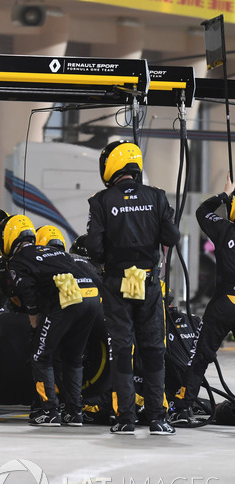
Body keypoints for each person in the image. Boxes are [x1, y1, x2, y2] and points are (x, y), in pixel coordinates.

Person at [87, 140, 180, 435]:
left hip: (116, 285)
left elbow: (94, 250)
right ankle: (158, 418)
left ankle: (125, 419)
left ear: (111, 166)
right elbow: (172, 237)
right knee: (153, 350)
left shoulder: (101, 201)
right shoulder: (157, 197)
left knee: (122, 350)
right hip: (150, 285)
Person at [0, 214, 102, 427]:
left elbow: (28, 292)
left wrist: (35, 321)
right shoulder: (53, 251)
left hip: (68, 299)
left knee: (40, 356)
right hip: (92, 297)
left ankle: (49, 411)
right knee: (73, 358)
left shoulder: (19, 260)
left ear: (8, 238)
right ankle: (74, 412)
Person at [170, 175, 235, 426]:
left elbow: (201, 211)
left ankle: (183, 408)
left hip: (223, 304)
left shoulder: (224, 229)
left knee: (199, 357)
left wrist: (225, 195)